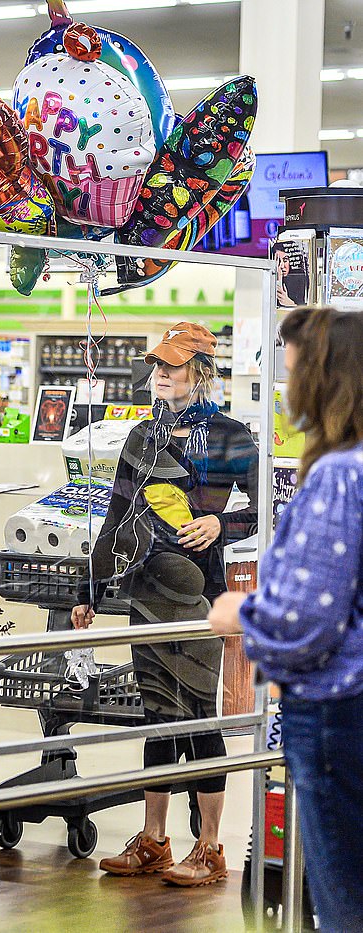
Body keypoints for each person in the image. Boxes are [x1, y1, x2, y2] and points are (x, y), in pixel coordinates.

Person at [71, 321, 259, 887]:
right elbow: (114, 518)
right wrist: (91, 589)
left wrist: (218, 523)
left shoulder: (230, 436)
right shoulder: (140, 438)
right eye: (156, 366)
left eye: (171, 367)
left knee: (200, 716)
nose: (158, 376)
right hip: (144, 594)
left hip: (200, 591)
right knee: (157, 716)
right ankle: (154, 840)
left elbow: (268, 505)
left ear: (200, 373)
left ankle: (210, 847)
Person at [209, 307, 363, 932]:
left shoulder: (338, 477)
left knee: (345, 895)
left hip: (337, 711)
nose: (289, 393)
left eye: (296, 375)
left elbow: (307, 620)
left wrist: (241, 613)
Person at [273, 242, 308, 308]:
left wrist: (290, 304)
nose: (282, 266)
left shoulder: (301, 281)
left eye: (285, 260)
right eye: (278, 261)